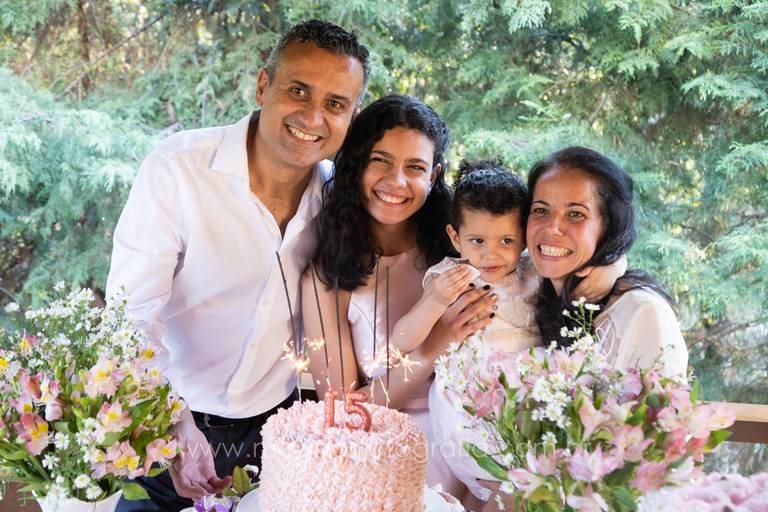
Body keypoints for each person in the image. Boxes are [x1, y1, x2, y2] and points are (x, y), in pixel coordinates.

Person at [106, 20, 369, 511]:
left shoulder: (341, 198)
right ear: (263, 85)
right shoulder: (178, 168)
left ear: (351, 116)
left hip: (276, 432)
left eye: (336, 104)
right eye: (298, 90)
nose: (313, 116)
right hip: (169, 420)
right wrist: (171, 420)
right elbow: (129, 316)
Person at [419, 160, 624, 505]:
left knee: (535, 480)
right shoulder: (451, 277)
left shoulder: (532, 269)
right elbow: (405, 336)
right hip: (471, 395)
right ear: (455, 238)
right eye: (477, 240)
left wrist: (614, 266)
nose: (492, 254)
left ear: (523, 237)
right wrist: (436, 300)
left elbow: (586, 265)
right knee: (507, 483)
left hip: (529, 388)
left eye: (507, 240)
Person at [525, 146, 688, 377]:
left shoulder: (643, 312)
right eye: (541, 210)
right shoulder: (523, 286)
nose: (552, 227)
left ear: (610, 227)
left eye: (575, 214)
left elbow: (666, 400)